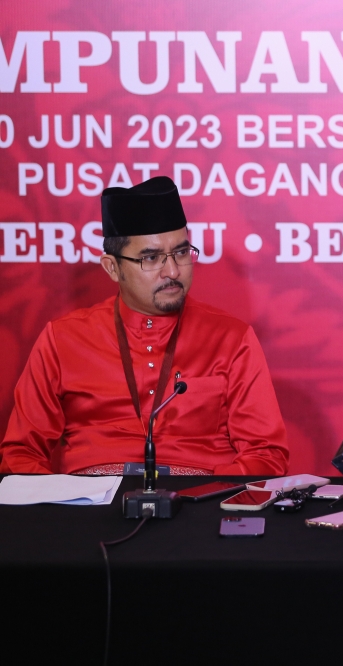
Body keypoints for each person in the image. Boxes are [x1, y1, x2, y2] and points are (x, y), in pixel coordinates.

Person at [0, 177, 289, 476]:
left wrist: (207, 494)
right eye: (151, 258)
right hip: (90, 501)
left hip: (198, 498)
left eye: (181, 252)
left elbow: (266, 455)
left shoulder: (231, 338)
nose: (173, 271)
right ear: (113, 268)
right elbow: (21, 453)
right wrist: (61, 501)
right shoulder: (63, 339)